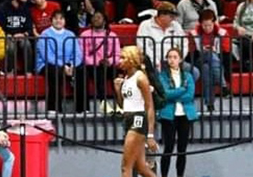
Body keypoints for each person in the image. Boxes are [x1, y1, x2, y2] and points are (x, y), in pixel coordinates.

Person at [113, 45, 158, 177]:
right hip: (127, 118)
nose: (119, 61)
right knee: (141, 167)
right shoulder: (126, 79)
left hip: (138, 119)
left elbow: (149, 106)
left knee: (125, 166)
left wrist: (150, 135)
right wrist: (117, 90)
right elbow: (123, 105)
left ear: (131, 59)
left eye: (123, 58)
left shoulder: (140, 78)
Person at [157, 47, 198, 177]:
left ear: (180, 59)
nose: (172, 60)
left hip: (184, 116)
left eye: (175, 57)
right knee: (168, 149)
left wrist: (175, 95)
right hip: (168, 116)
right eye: (169, 57)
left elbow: (190, 95)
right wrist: (182, 89)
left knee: (182, 150)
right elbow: (165, 94)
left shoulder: (188, 76)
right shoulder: (162, 75)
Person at [35, 10, 85, 112]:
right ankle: (54, 108)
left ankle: (82, 108)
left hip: (68, 64)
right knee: (56, 72)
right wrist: (63, 66)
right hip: (48, 64)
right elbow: (47, 55)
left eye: (61, 18)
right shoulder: (45, 34)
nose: (58, 21)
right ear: (51, 20)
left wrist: (72, 65)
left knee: (81, 70)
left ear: (65, 21)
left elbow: (77, 53)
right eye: (56, 18)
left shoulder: (70, 34)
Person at [79, 11, 120, 113]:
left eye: (99, 17)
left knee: (117, 75)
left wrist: (110, 61)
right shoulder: (84, 35)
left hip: (109, 65)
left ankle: (120, 104)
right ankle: (104, 103)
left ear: (104, 21)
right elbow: (82, 54)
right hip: (92, 66)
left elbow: (117, 54)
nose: (96, 19)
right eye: (94, 17)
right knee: (99, 72)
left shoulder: (112, 35)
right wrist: (97, 62)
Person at [0, 0, 34, 73]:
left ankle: (28, 72)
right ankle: (10, 71)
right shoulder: (1, 8)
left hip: (22, 36)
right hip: (7, 37)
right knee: (10, 47)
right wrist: (9, 35)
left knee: (26, 44)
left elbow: (29, 27)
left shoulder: (26, 8)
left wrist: (24, 34)